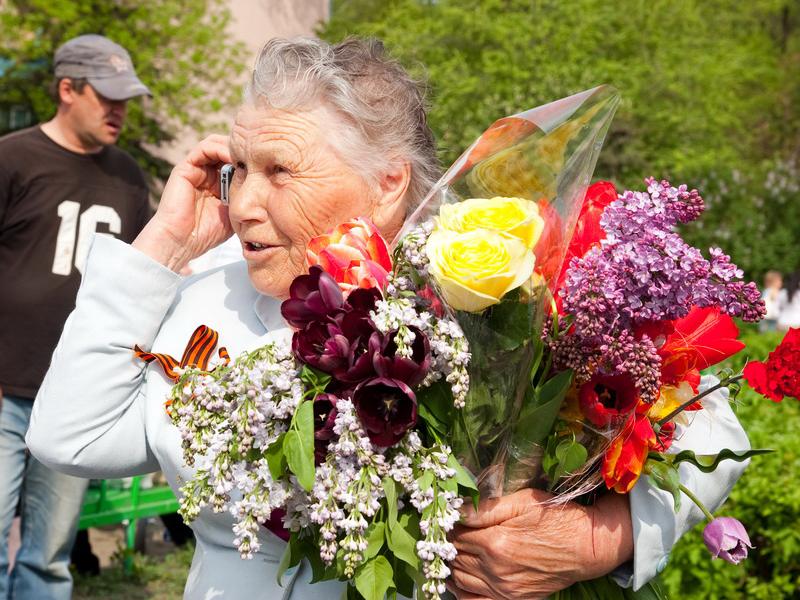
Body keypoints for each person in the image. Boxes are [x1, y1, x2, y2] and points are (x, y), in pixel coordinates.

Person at [26, 37, 748, 599]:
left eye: (280, 171)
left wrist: (602, 538)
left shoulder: (487, 284)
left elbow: (714, 428)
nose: (242, 204)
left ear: (387, 182)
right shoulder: (209, 289)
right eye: (237, 168)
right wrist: (163, 246)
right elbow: (70, 436)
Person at [0, 34, 152, 599]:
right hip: (5, 391)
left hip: (77, 396)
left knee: (49, 558)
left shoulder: (128, 177)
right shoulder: (11, 159)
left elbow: (141, 275)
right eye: (107, 97)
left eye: (126, 99)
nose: (119, 110)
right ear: (67, 89)